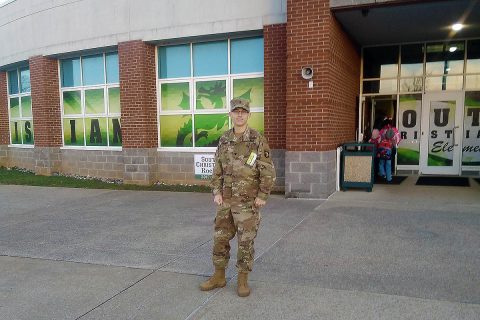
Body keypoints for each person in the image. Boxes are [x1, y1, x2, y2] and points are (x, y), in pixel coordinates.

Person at [199, 98, 276, 297]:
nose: (239, 115)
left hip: (247, 203)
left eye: (243, 111)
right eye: (236, 111)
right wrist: (216, 191)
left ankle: (242, 280)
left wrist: (262, 195)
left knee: (245, 242)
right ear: (230, 115)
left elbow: (268, 170)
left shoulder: (257, 140)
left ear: (249, 115)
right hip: (225, 201)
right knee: (220, 239)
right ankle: (219, 276)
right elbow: (217, 168)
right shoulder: (224, 139)